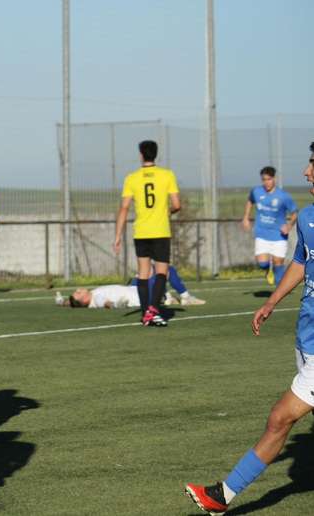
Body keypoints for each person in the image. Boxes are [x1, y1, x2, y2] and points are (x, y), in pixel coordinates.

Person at [184, 151, 314, 516]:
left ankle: (221, 496)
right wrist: (272, 301)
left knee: (279, 419)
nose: (305, 171)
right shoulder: (307, 217)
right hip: (306, 339)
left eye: (312, 165)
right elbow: (302, 263)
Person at [113, 140, 181, 327]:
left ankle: (146, 314)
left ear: (141, 154)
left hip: (141, 232)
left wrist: (118, 235)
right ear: (156, 154)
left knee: (143, 272)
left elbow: (124, 208)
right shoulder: (167, 175)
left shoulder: (131, 178)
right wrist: (167, 212)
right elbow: (177, 205)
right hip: (160, 231)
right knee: (161, 272)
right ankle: (152, 311)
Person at [241, 166, 298, 287]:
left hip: (279, 235)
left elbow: (294, 213)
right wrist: (246, 217)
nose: (266, 182)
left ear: (274, 179)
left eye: (269, 179)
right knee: (262, 263)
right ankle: (268, 271)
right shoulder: (256, 191)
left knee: (278, 262)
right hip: (262, 233)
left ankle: (280, 289)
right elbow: (250, 201)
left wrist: (289, 225)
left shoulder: (283, 196)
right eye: (264, 179)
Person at [64, 265, 205, 308]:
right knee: (167, 270)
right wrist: (112, 305)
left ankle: (166, 297)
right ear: (83, 300)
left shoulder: (92, 294)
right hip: (138, 294)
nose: (78, 290)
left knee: (146, 269)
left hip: (132, 287)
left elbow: (69, 303)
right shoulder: (98, 298)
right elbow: (106, 304)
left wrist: (62, 302)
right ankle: (186, 297)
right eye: (77, 293)